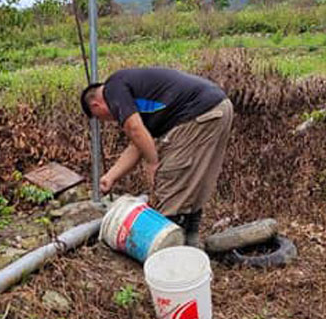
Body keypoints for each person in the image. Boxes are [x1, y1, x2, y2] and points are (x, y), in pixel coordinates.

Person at [80, 67, 235, 247]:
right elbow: (138, 142)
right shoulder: (135, 96)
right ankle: (190, 244)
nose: (108, 121)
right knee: (195, 181)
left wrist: (153, 163)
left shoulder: (113, 88)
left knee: (170, 180)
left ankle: (168, 253)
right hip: (217, 107)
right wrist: (111, 176)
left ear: (95, 106)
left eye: (99, 118)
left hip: (200, 113)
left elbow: (134, 129)